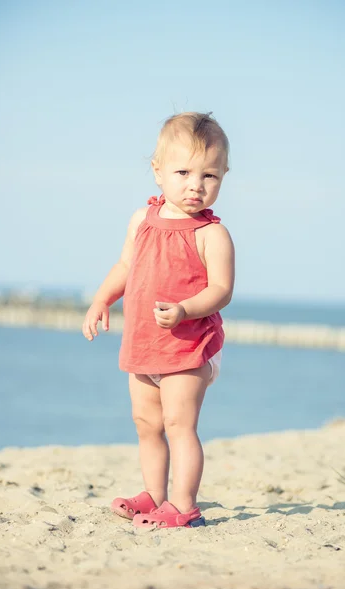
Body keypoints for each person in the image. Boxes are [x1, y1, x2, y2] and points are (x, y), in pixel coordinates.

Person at [82, 112, 235, 528]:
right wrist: (102, 299)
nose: (195, 185)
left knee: (178, 424)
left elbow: (221, 289)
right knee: (147, 424)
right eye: (183, 172)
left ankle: (184, 506)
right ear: (157, 172)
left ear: (224, 175)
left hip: (188, 346)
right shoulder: (141, 220)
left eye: (209, 176)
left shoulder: (211, 234)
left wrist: (185, 309)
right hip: (143, 344)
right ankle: (154, 494)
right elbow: (125, 266)